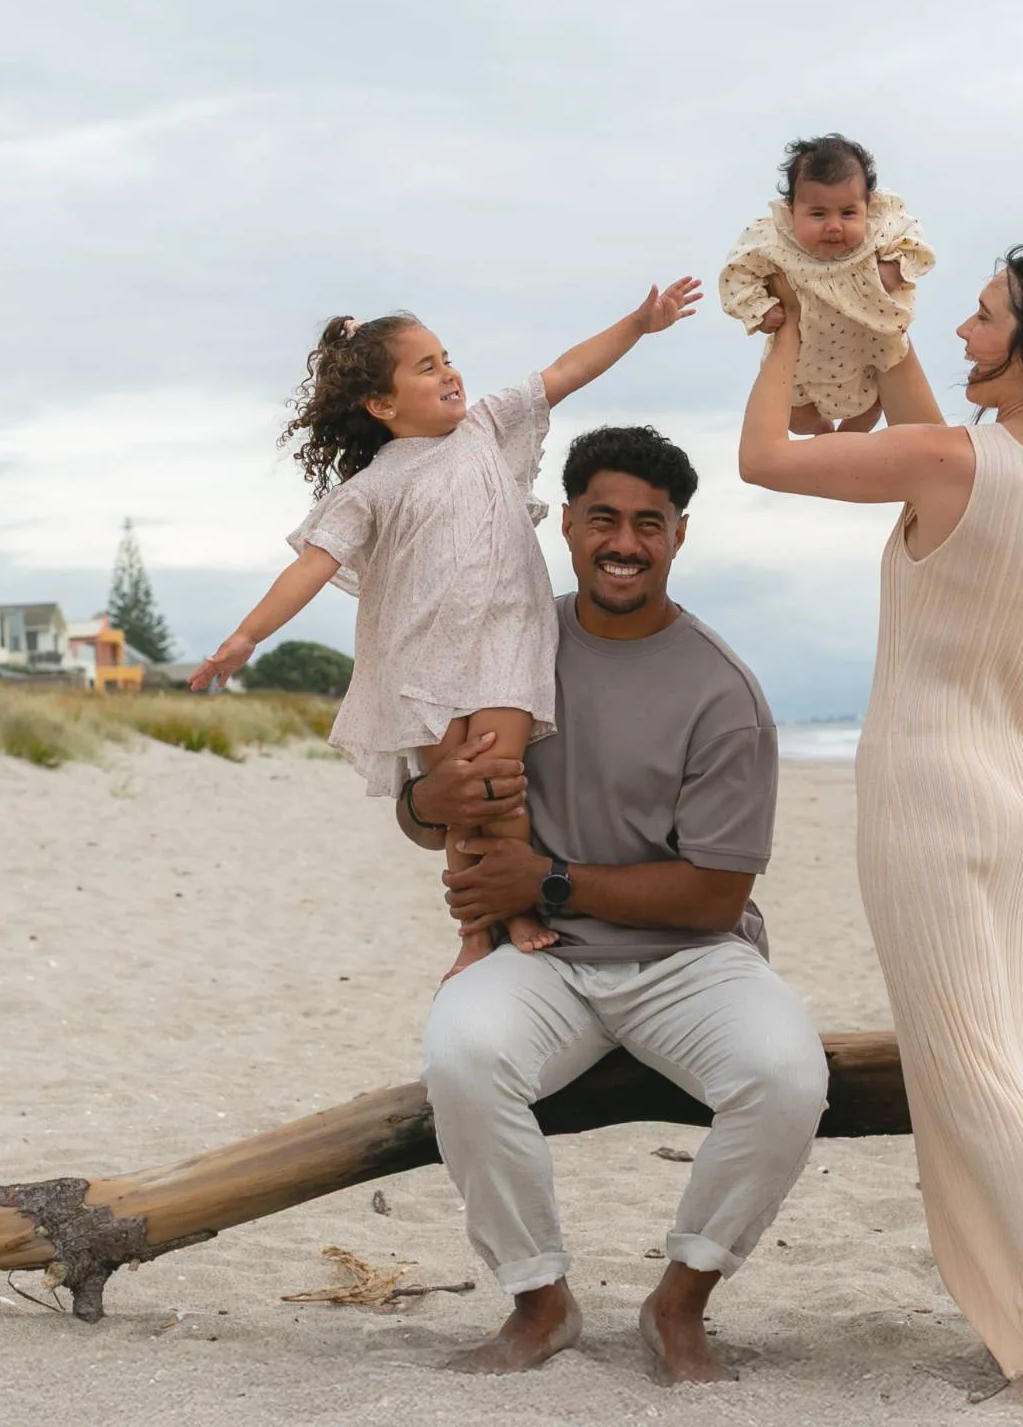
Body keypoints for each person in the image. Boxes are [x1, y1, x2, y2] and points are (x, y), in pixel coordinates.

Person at [737, 248, 1023, 1421]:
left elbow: (763, 459)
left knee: (978, 1079)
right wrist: (871, 311)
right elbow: (940, 439)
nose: (961, 328)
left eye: (985, 314)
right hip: (1009, 797)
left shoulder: (954, 462)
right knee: (1004, 1074)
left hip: (925, 797)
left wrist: (785, 332)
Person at [400, 424, 830, 1384]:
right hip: (543, 960)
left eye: (648, 523)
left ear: (679, 534)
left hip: (690, 957)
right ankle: (540, 1302)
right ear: (566, 525)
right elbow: (425, 808)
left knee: (788, 1078)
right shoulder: (510, 645)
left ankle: (680, 1304)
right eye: (603, 519)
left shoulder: (721, 691)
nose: (624, 543)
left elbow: (716, 894)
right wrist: (430, 803)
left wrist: (543, 880)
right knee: (461, 1055)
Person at [191, 282, 700, 979]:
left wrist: (638, 324)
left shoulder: (485, 429)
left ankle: (516, 906)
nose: (449, 373)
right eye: (426, 367)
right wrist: (248, 636)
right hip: (421, 660)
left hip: (508, 638)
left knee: (499, 781)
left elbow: (564, 372)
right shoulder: (371, 488)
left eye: (447, 358)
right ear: (382, 405)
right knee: (460, 799)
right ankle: (474, 930)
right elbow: (312, 565)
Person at [720, 133, 934, 436]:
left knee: (875, 403)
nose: (834, 226)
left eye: (848, 213)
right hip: (803, 357)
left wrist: (895, 269)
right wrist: (760, 309)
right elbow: (737, 274)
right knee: (794, 416)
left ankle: (847, 439)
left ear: (869, 205)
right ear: (791, 209)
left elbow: (916, 243)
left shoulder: (880, 227)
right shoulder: (774, 239)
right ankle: (823, 431)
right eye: (818, 214)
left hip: (868, 350)